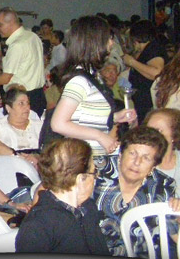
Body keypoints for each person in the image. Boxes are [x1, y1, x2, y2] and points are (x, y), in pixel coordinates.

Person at [93, 126, 180, 258]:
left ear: (153, 166)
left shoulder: (161, 187)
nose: (137, 162)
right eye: (132, 153)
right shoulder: (95, 171)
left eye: (146, 158)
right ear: (120, 154)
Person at [50, 16, 137, 156]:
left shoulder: (91, 76)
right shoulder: (79, 80)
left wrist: (114, 117)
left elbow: (84, 116)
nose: (112, 43)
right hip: (81, 157)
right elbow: (58, 124)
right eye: (108, 38)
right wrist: (100, 136)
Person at [16, 138, 110, 255]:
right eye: (93, 173)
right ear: (80, 179)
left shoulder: (87, 208)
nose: (95, 178)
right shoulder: (38, 225)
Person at [0, 8, 46, 116]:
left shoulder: (17, 45)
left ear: (11, 23)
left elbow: (5, 78)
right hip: (38, 95)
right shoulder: (33, 36)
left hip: (21, 98)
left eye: (0, 25)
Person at [144, 108, 180, 207]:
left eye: (158, 130)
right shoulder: (139, 166)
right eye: (149, 130)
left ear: (174, 135)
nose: (152, 135)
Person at [0, 87, 43, 165]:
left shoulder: (39, 126)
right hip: (11, 167)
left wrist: (37, 158)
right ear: (8, 108)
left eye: (28, 103)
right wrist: (18, 158)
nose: (27, 107)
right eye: (21, 103)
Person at [123, 19, 166, 121]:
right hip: (143, 103)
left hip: (149, 104)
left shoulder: (153, 49)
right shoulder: (149, 50)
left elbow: (156, 73)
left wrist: (132, 62)